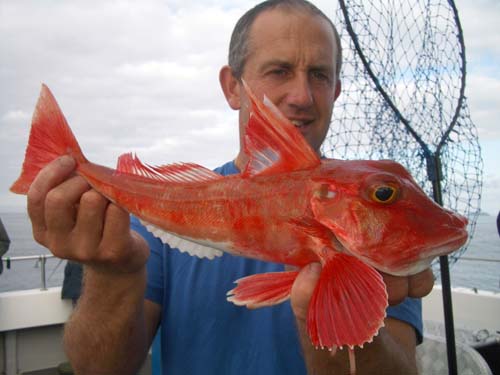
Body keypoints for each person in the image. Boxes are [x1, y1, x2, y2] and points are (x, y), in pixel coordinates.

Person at [26, 0, 434, 374]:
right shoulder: (155, 225)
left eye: (320, 75)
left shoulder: (374, 208)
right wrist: (113, 273)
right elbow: (99, 370)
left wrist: (343, 311)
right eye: (279, 71)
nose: (302, 96)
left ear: (336, 91)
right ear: (232, 87)